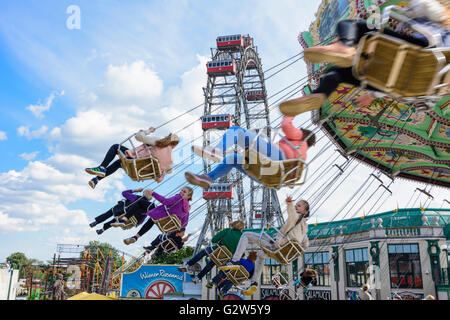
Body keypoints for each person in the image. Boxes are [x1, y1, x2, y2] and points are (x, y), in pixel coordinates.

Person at [281, 0, 450, 116]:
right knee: (338, 71)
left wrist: (415, 8)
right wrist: (372, 96)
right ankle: (317, 95)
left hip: (422, 52)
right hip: (415, 86)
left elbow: (429, 7)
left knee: (352, 26)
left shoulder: (443, 21)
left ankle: (344, 48)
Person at [184, 117, 316, 190]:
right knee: (233, 158)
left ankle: (216, 151)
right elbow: (291, 184)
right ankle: (208, 179)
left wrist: (290, 112)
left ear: (303, 134)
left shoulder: (299, 138)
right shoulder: (302, 156)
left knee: (236, 131)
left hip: (273, 161)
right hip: (268, 177)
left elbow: (286, 124)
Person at [224, 196, 310, 296]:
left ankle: (234, 260)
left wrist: (289, 203)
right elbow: (306, 244)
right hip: (283, 253)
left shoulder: (295, 217)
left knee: (246, 235)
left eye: (299, 206)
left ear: (304, 211)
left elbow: (292, 215)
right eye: (296, 205)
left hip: (277, 247)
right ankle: (254, 282)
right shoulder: (305, 228)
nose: (296, 207)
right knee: (260, 254)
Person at [85, 127, 179, 189]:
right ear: (175, 146)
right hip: (139, 172)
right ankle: (96, 180)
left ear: (167, 138)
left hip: (134, 162)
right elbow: (161, 178)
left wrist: (148, 131)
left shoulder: (159, 141)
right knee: (119, 163)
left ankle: (102, 167)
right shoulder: (171, 160)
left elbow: (138, 137)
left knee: (115, 147)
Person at [116, 187, 194, 245]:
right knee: (152, 220)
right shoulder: (187, 211)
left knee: (140, 202)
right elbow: (184, 224)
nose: (181, 192)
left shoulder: (179, 198)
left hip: (160, 213)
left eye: (184, 192)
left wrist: (153, 193)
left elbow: (165, 201)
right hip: (165, 222)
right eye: (182, 190)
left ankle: (124, 219)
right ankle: (136, 237)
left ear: (188, 196)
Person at [178, 220, 245, 284]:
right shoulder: (242, 237)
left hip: (217, 250)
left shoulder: (227, 231)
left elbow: (214, 240)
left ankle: (188, 265)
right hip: (225, 258)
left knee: (203, 252)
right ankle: (198, 278)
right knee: (211, 264)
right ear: (241, 228)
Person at [88, 188, 155, 235]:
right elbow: (143, 219)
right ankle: (102, 230)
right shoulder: (148, 206)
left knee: (111, 212)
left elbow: (124, 193)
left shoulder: (136, 198)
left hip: (121, 211)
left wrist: (136, 190)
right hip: (130, 220)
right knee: (115, 221)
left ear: (144, 193)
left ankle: (96, 222)